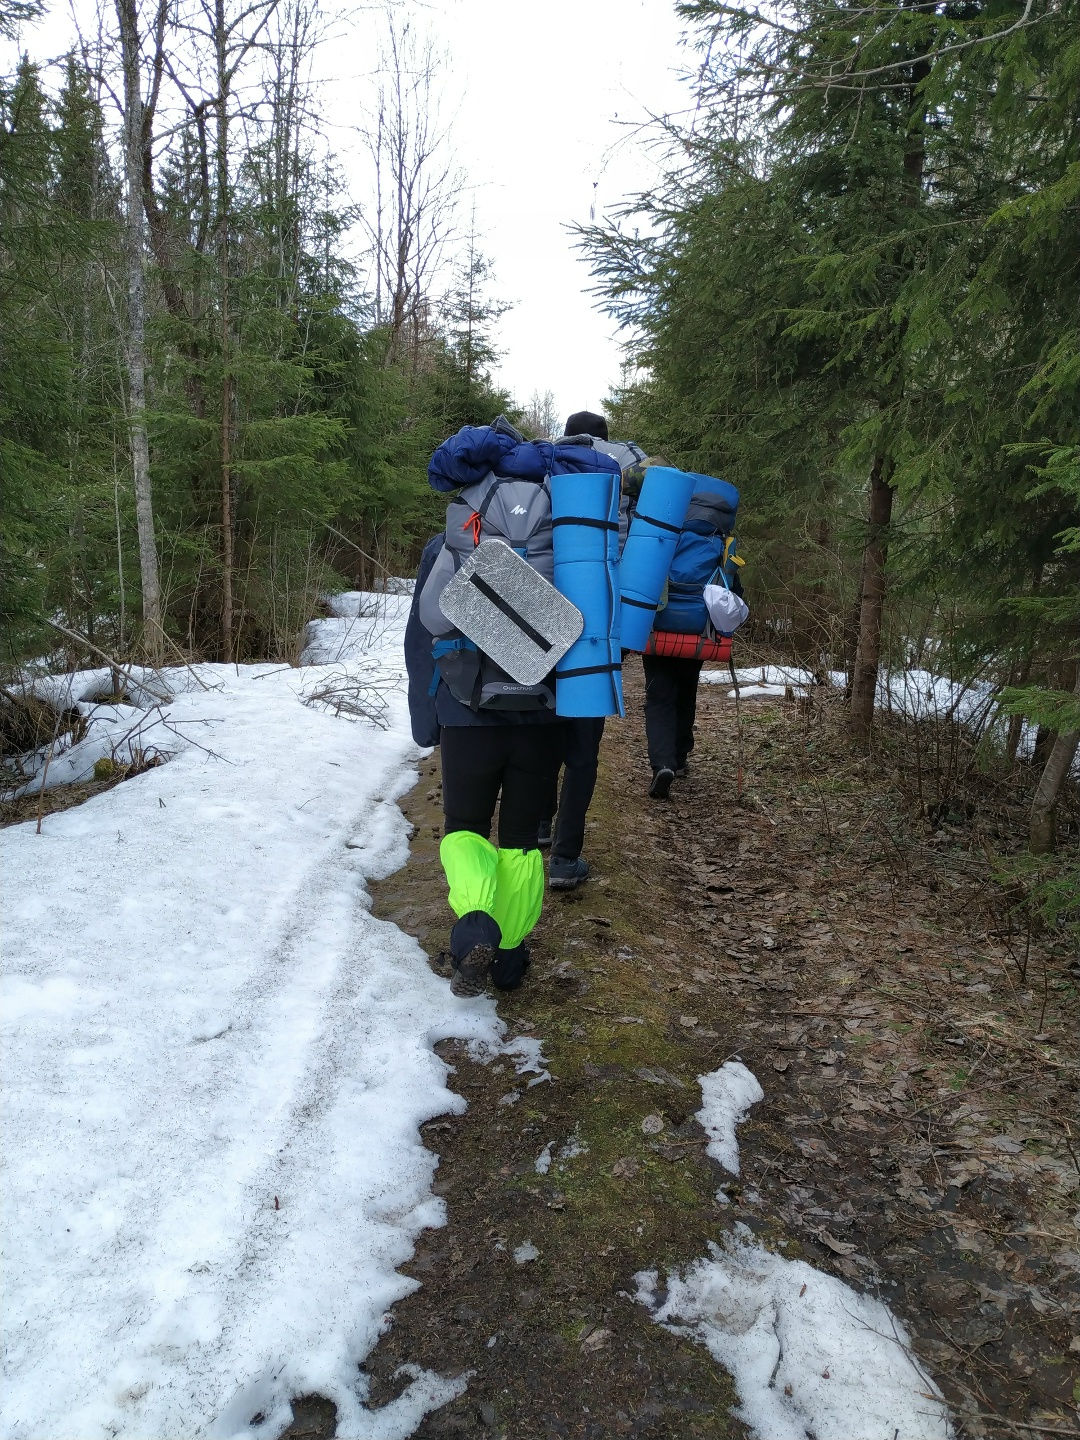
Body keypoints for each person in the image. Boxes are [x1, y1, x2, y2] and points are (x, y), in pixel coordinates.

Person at [405, 416, 621, 993]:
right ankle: (507, 954)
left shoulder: (455, 536)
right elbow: (601, 632)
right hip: (545, 712)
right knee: (524, 839)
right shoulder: (578, 540)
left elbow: (426, 628)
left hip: (466, 705)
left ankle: (474, 923)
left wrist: (426, 718)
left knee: (466, 827)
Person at [537, 410, 650, 889]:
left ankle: (539, 821)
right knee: (583, 745)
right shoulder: (625, 481)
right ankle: (564, 859)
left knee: (541, 729)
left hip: (540, 618)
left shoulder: (543, 472)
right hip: (599, 624)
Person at [642, 477, 742, 799]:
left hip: (659, 628)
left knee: (659, 697)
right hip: (699, 631)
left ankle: (663, 764)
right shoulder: (721, 544)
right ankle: (681, 758)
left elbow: (642, 580)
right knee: (686, 691)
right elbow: (732, 591)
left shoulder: (663, 537)